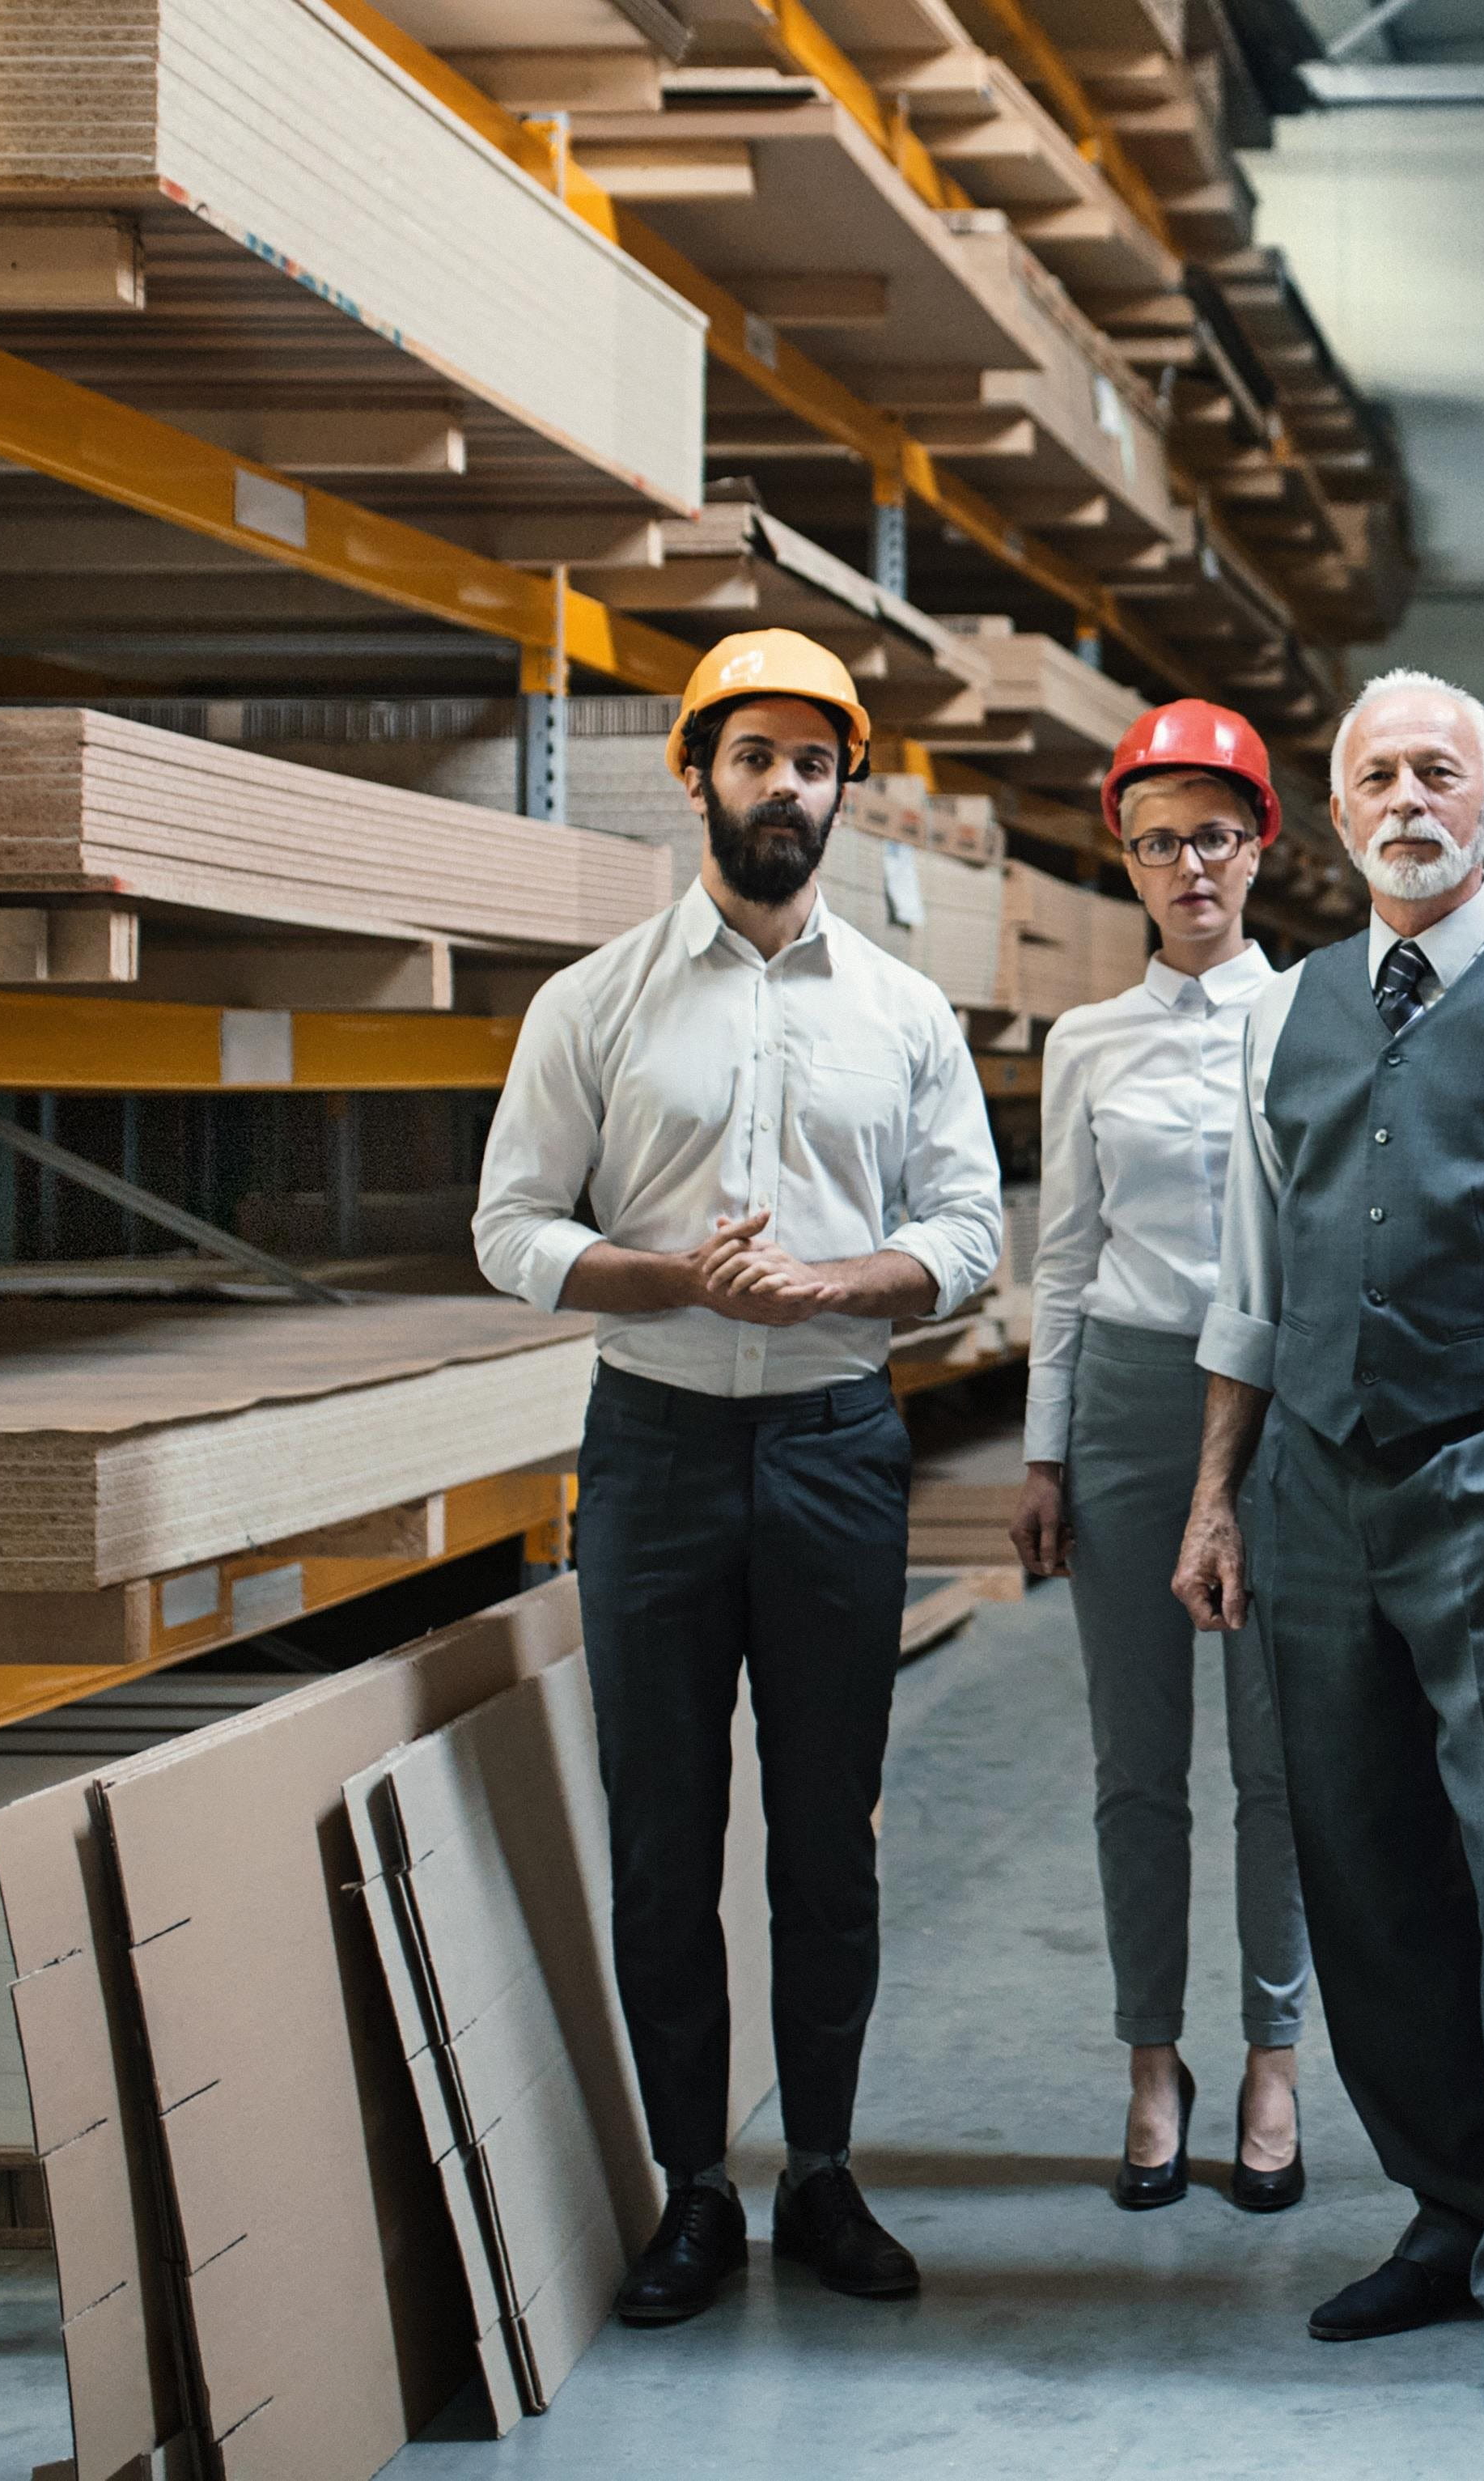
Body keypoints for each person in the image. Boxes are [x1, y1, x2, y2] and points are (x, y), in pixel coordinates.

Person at [473, 628, 1005, 2324]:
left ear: (849, 791)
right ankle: (693, 2190)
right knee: (661, 1829)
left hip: (840, 1449)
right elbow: (509, 1231)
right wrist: (665, 1278)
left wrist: (840, 1286)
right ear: (693, 773)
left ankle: (827, 2175)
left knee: (827, 1836)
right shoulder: (595, 1001)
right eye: (756, 756)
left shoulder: (905, 1012)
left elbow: (972, 1233)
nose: (787, 788)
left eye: (816, 763)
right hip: (655, 1449)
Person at [1172, 668, 1484, 2418]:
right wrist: (1217, 1490)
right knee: (1365, 1866)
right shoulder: (1285, 1007)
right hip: (1308, 1487)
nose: (1408, 797)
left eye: (1438, 772)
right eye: (1377, 774)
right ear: (1337, 817)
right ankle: (1447, 2210)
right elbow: (1250, 1275)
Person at [1007, 700, 1310, 2217]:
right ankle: (1149, 2057)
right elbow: (1064, 1260)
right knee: (1139, 1763)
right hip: (1127, 1402)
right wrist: (1045, 1452)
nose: (1188, 863)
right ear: (1123, 859)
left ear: (1263, 846)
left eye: (1214, 832)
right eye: (1156, 839)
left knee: (1275, 1755)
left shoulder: (1319, 1015)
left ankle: (1271, 2052)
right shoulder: (1087, 1041)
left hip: (1275, 1408)